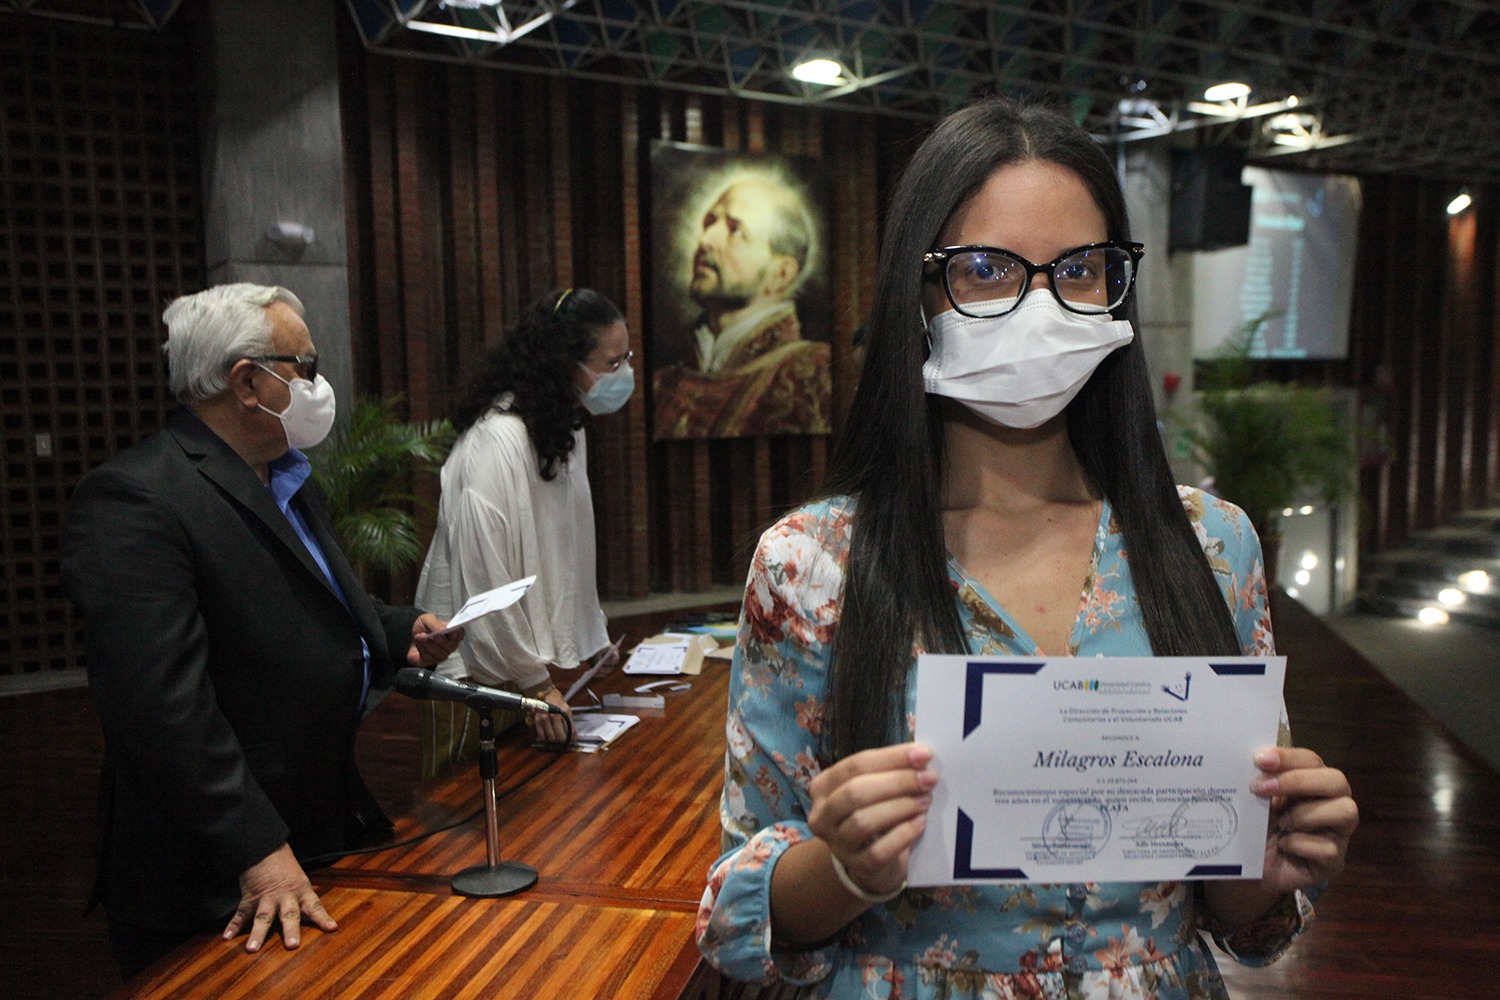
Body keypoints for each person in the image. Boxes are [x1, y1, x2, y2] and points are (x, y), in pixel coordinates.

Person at [695, 98, 1359, 998]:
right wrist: (846, 865)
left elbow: (1232, 908)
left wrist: (1271, 863)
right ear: (918, 290)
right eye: (984, 268)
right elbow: (739, 906)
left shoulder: (1212, 545)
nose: (1040, 306)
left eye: (1079, 269)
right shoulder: (811, 564)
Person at [61, 283, 462, 980]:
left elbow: (311, 596)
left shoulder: (286, 475)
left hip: (313, 822)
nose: (318, 384)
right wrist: (256, 848)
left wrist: (399, 631)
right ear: (247, 383)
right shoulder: (135, 497)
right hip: (217, 869)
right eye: (305, 366)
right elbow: (159, 708)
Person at [415, 287, 631, 765]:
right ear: (565, 364)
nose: (623, 375)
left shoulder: (564, 430)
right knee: (469, 806)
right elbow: (485, 577)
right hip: (472, 678)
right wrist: (535, 683)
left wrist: (588, 641)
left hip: (526, 675)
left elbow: (565, 553)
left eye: (626, 359)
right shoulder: (497, 439)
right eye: (612, 364)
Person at [652, 177, 831, 438]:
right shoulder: (662, 383)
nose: (706, 239)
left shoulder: (814, 372)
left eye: (736, 230)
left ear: (780, 274)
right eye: (710, 222)